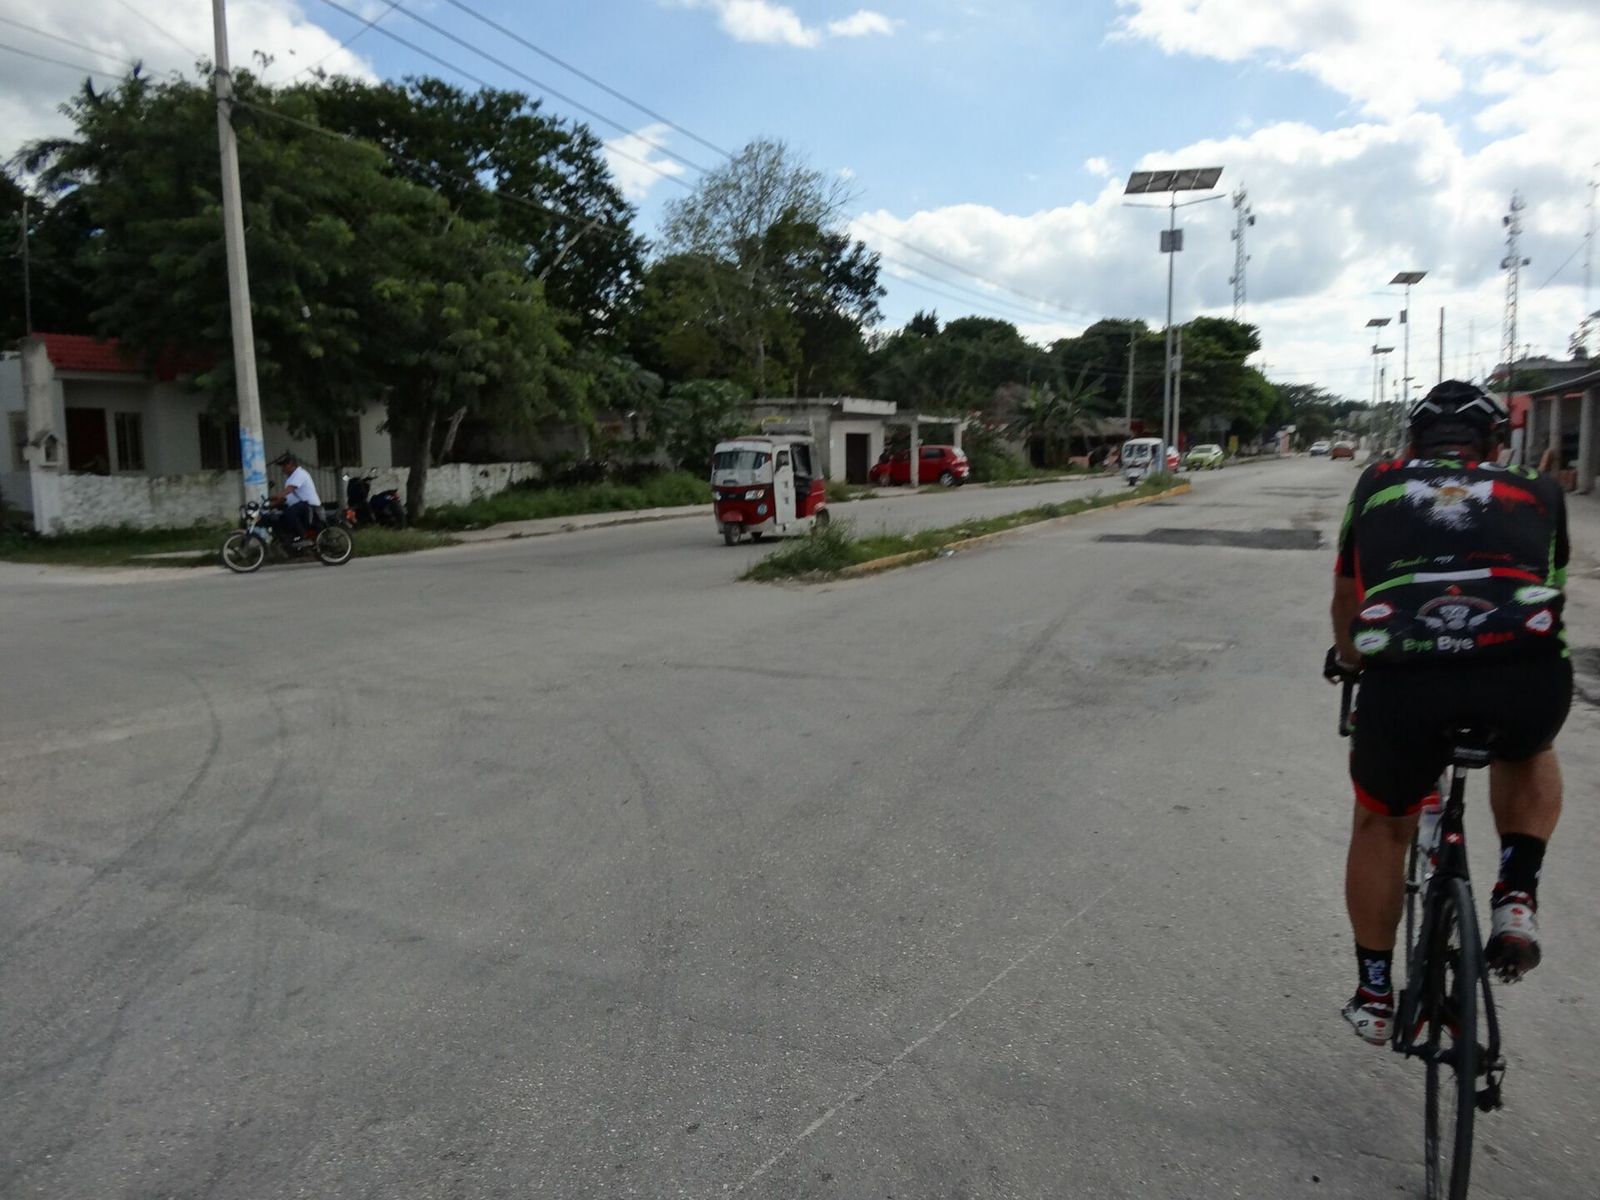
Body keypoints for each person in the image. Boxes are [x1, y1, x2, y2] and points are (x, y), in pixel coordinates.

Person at [1325, 380, 1572, 1046]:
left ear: (1412, 445)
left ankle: (1376, 995)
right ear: (1495, 443)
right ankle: (1516, 893)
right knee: (1529, 747)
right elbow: (1549, 588)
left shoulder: (1378, 484)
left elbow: (1349, 597)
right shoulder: (1539, 489)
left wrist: (1351, 660)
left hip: (1407, 685)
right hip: (1521, 678)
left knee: (1381, 823)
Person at [268, 450, 322, 549]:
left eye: (284, 465)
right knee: (280, 517)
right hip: (301, 506)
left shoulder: (299, 474)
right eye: (282, 466)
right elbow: (285, 498)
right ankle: (289, 540)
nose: (282, 468)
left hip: (310, 506)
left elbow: (289, 490)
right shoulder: (290, 479)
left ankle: (303, 537)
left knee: (289, 512)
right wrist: (270, 504)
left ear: (291, 464)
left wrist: (277, 497)